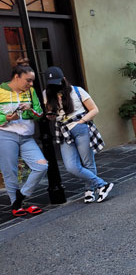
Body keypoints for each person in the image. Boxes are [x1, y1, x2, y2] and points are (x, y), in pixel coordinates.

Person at [43, 66, 113, 204]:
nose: (56, 86)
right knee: (71, 167)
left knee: (88, 162)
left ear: (63, 79)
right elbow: (51, 114)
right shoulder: (47, 94)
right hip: (63, 130)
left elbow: (94, 109)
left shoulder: (77, 91)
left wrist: (81, 121)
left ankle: (89, 190)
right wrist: (50, 116)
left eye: (58, 82)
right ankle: (102, 184)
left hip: (80, 127)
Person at [0, 58, 48, 216]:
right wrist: (6, 118)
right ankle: (17, 206)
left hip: (27, 137)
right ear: (16, 77)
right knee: (10, 172)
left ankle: (20, 198)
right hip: (6, 135)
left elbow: (39, 114)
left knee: (41, 166)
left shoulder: (31, 92)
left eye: (32, 81)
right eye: (28, 80)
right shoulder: (1, 90)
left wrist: (28, 109)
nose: (31, 84)